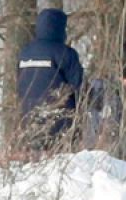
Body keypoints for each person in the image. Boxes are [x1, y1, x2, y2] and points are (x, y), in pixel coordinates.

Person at [15, 8, 84, 153]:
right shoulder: (66, 53)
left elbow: (19, 84)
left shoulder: (24, 53)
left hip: (28, 115)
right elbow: (78, 87)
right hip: (60, 116)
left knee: (35, 161)